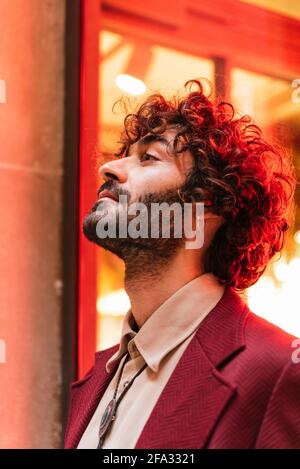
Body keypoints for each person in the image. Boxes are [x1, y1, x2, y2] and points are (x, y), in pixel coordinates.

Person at [64, 80, 300, 449]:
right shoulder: (96, 376)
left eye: (149, 157)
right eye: (124, 154)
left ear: (203, 210)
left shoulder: (277, 370)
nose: (109, 168)